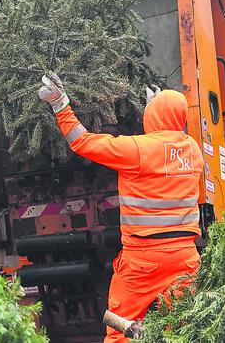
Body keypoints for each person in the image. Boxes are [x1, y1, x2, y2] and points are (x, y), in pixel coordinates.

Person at [38, 73, 203, 343]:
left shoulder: (137, 151)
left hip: (143, 261)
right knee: (185, 329)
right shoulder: (193, 151)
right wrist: (159, 106)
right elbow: (172, 135)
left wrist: (60, 104)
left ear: (153, 116)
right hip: (185, 259)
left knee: (121, 331)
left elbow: (83, 142)